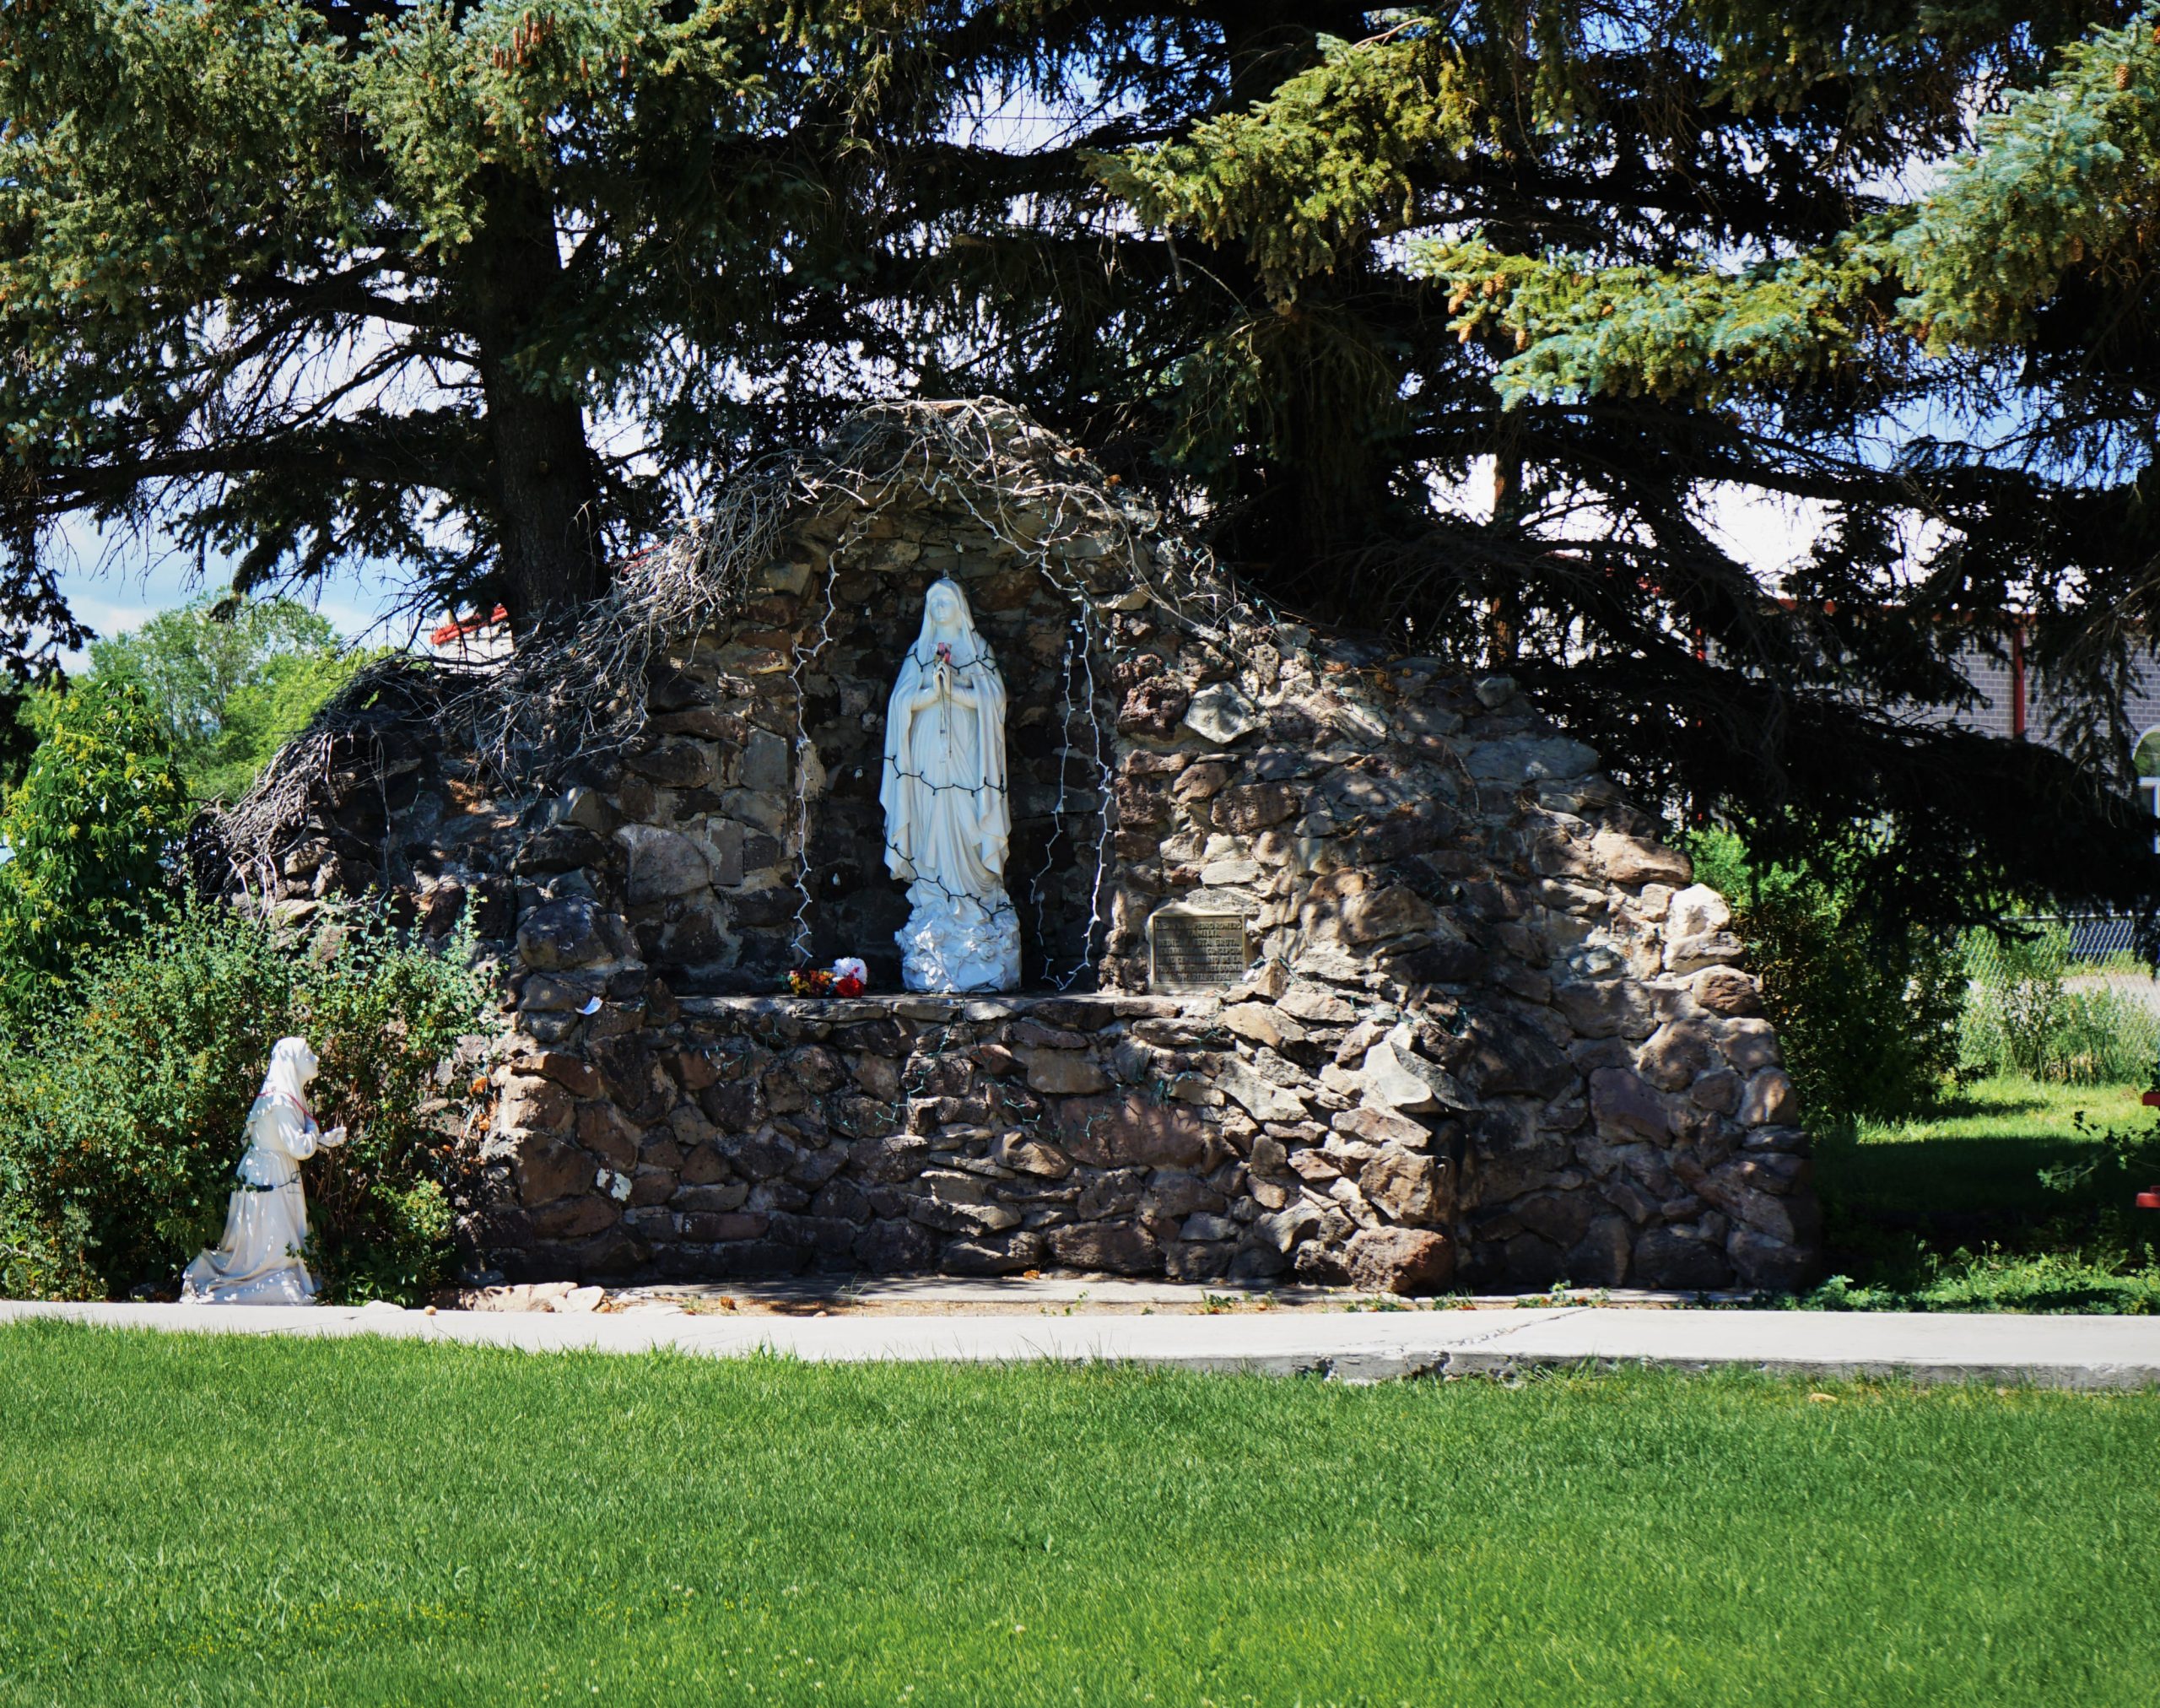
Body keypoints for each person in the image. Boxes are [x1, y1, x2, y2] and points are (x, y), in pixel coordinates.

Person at [180, 1037, 346, 1305]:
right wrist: (316, 1133)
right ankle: (272, 1276)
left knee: (279, 1235)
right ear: (292, 1062)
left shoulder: (284, 1096)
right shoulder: (280, 1100)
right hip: (270, 1174)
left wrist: (320, 1137)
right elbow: (300, 1148)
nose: (316, 1059)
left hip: (272, 1168)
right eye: (309, 1054)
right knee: (274, 1239)